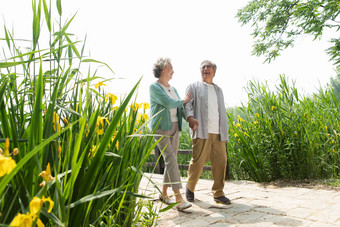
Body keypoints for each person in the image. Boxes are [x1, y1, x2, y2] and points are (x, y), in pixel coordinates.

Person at [184, 60, 230, 205]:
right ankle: (190, 187)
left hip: (218, 132)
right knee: (198, 162)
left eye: (208, 67)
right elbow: (187, 105)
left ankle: (218, 193)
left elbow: (221, 111)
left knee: (221, 162)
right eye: (203, 67)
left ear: (214, 71)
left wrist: (225, 131)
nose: (205, 69)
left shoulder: (219, 90)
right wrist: (190, 119)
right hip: (202, 129)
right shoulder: (193, 86)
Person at [149, 57, 192, 211]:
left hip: (174, 127)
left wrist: (190, 120)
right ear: (163, 69)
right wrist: (184, 100)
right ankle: (179, 199)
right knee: (171, 158)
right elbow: (168, 102)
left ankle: (164, 193)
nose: (173, 71)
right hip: (161, 127)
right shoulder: (154, 87)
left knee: (170, 160)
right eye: (171, 68)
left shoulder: (173, 89)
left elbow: (179, 108)